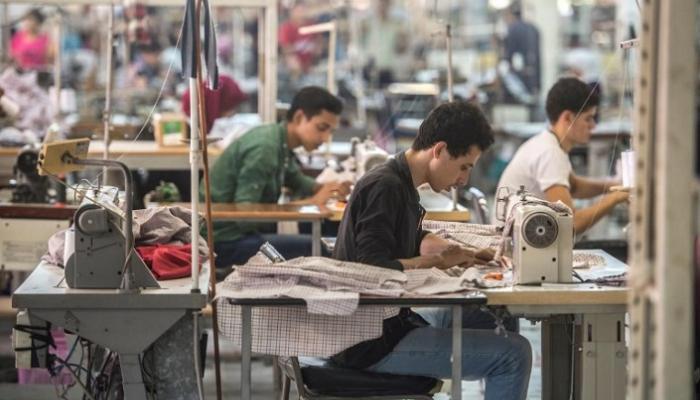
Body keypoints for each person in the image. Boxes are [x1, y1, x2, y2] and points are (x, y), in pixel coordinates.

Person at [332, 101, 532, 400]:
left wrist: (460, 251)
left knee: (494, 318)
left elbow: (409, 235)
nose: (463, 180)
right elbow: (371, 268)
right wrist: (437, 262)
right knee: (514, 354)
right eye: (463, 166)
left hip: (391, 324)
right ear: (439, 150)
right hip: (369, 340)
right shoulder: (385, 187)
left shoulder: (400, 183)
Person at [206, 86, 350, 267]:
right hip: (226, 242)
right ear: (299, 118)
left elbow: (299, 181)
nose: (326, 138)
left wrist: (331, 189)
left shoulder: (281, 142)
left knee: (321, 240)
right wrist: (311, 203)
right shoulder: (266, 148)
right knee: (324, 249)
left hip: (239, 235)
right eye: (322, 128)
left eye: (331, 131)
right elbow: (245, 216)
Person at [496, 77, 629, 233]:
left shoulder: (547, 142)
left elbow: (575, 187)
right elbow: (570, 225)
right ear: (567, 117)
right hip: (516, 250)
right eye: (588, 118)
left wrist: (615, 184)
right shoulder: (550, 153)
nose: (593, 126)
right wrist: (616, 197)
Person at [182, 74, 247, 134]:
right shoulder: (192, 115)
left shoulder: (208, 106)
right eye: (229, 108)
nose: (232, 114)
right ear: (216, 104)